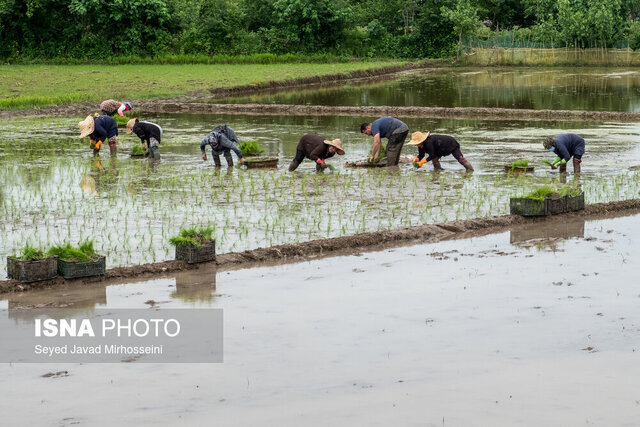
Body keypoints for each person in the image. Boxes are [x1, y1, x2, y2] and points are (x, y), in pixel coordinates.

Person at [407, 131, 474, 172]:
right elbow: (421, 155)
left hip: (450, 144)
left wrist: (422, 162)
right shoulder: (420, 145)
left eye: (417, 142)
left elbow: (432, 155)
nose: (416, 144)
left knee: (461, 159)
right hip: (439, 149)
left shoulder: (428, 143)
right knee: (434, 160)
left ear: (421, 140)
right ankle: (438, 171)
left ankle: (470, 170)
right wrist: (417, 158)